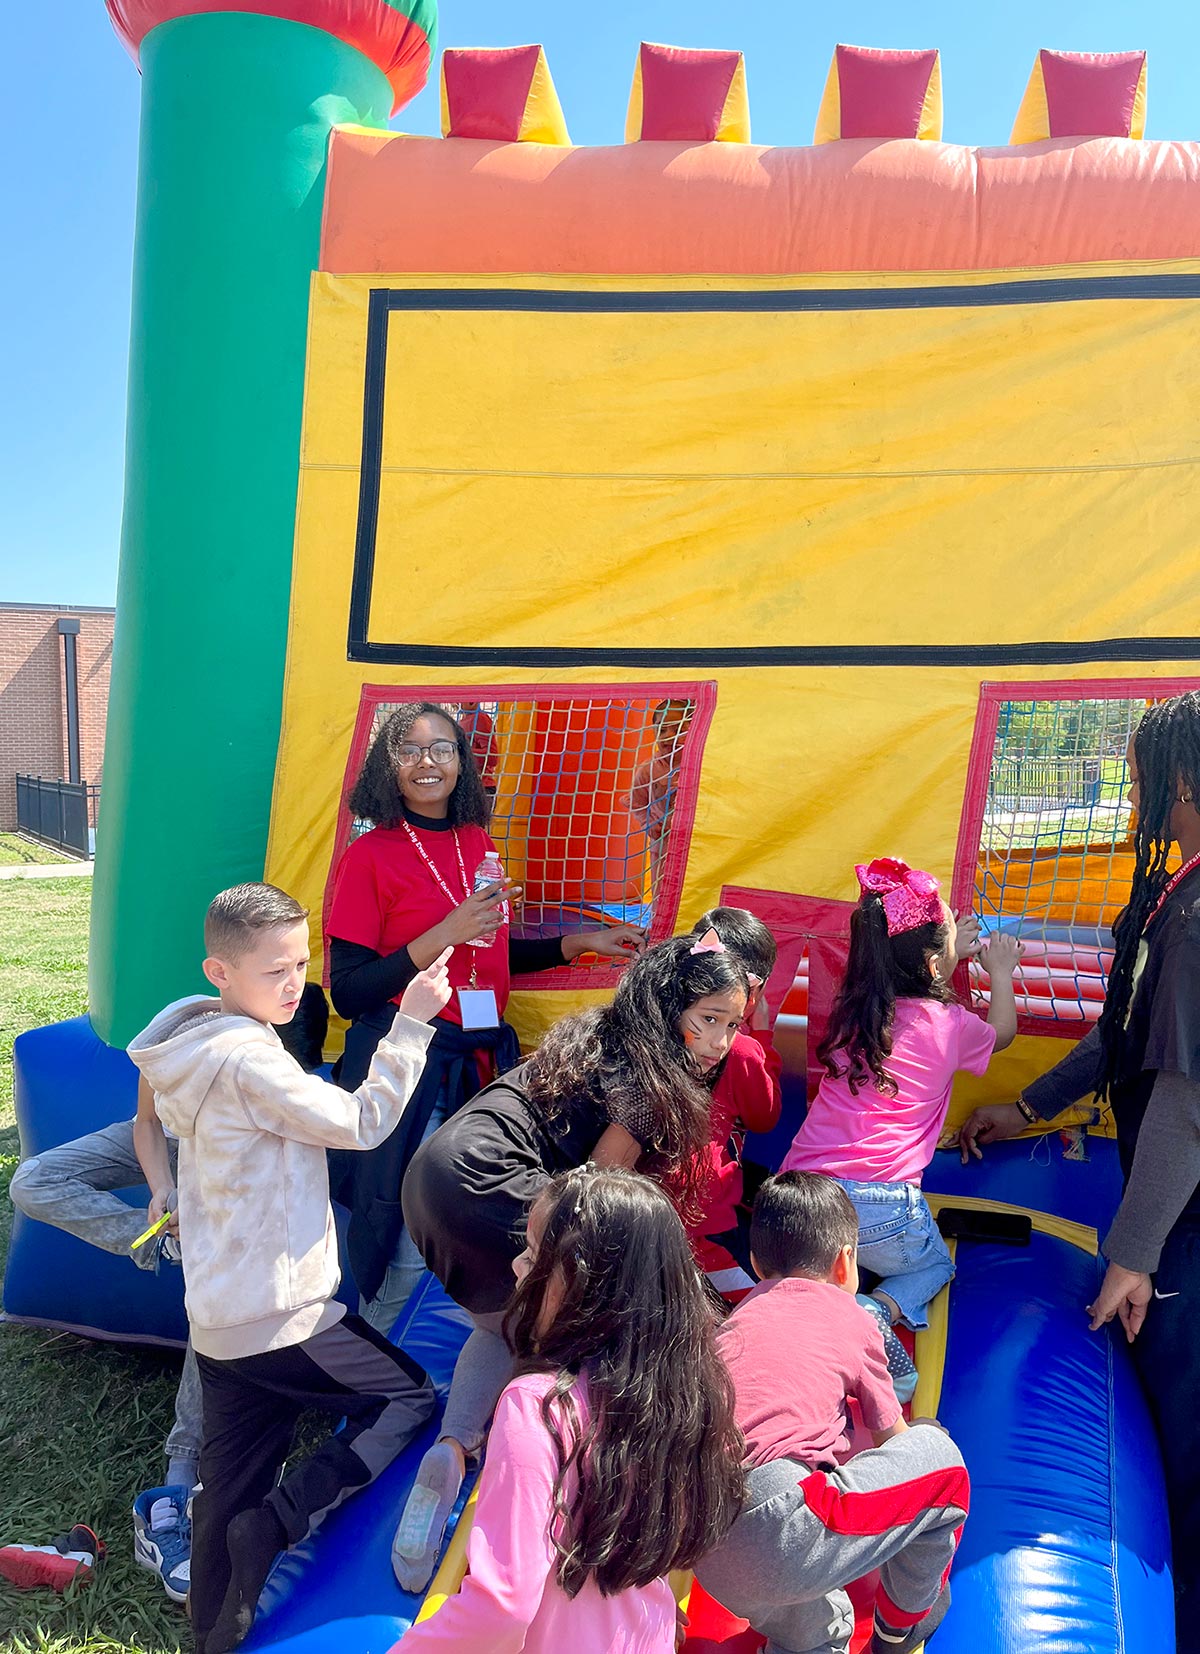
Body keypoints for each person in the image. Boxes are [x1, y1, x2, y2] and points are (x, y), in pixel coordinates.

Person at [128, 883, 445, 1654]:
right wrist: (410, 1025)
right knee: (405, 1398)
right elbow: (362, 1123)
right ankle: (282, 1521)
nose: (295, 982)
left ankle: (215, 1634)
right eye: (276, 970)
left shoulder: (195, 1046)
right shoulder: (246, 1061)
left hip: (220, 1324)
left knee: (226, 1490)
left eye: (302, 963)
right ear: (220, 972)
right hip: (284, 1312)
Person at [391, 931, 751, 1592]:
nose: (721, 1041)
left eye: (734, 1024)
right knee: (587, 1318)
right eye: (709, 1020)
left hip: (435, 1172)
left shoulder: (599, 1032)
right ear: (671, 1008)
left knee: (507, 1319)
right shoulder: (647, 1081)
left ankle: (450, 1451)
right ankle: (551, 1482)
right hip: (497, 1182)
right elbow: (594, 1203)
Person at [955, 691, 1200, 1647]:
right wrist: (1028, 1106)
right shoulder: (1176, 895)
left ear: (1179, 782)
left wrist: (1135, 1256)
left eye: (1142, 779)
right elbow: (1124, 1036)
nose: (1134, 796)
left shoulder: (1196, 915)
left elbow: (1183, 1102)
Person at [327, 701, 644, 1333]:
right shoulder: (368, 857)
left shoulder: (478, 843)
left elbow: (487, 958)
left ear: (463, 762)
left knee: (461, 1222)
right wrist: (443, 931)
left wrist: (573, 944)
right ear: (387, 766)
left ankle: (434, 1363)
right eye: (410, 750)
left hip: (478, 1061)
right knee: (396, 1223)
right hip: (407, 1065)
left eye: (443, 748)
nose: (428, 762)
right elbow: (349, 992)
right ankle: (378, 1366)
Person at [7, 983, 328, 1603]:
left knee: (215, 1304)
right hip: (171, 1147)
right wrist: (161, 1203)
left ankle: (179, 1481)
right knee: (34, 1179)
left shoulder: (276, 1083)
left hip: (229, 1166)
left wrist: (208, 1217)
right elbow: (148, 1122)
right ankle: (165, 1242)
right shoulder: (182, 1034)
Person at [395, 1164, 745, 1651]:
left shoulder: (535, 1408)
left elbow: (503, 1606)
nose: (517, 1266)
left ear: (582, 1283)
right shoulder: (682, 1402)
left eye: (534, 1254)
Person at [697, 1172, 970, 1654]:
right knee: (942, 1466)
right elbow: (894, 1438)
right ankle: (898, 1629)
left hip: (703, 1541)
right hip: (780, 1526)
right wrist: (925, 1433)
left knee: (824, 1631)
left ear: (757, 1265)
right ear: (847, 1263)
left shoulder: (729, 1327)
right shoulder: (853, 1316)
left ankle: (806, 1640)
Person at [780, 858, 1020, 1400]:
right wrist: (999, 971)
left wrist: (946, 948)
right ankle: (874, 1310)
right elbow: (1001, 1033)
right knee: (934, 1266)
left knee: (815, 1273)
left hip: (797, 1195)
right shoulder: (950, 1025)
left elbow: (913, 982)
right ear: (935, 965)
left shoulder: (854, 1011)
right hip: (880, 1209)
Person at [675, 907, 783, 1298]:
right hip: (705, 1227)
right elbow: (764, 1116)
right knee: (755, 1308)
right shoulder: (742, 1050)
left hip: (649, 1215)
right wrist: (764, 1036)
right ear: (752, 992)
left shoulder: (668, 1025)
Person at [626, 698, 694, 884]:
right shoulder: (648, 769)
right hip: (662, 841)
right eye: (662, 730)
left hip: (693, 842)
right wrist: (648, 822)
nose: (668, 736)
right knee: (662, 885)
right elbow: (635, 801)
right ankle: (659, 913)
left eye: (678, 730)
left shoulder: (698, 766)